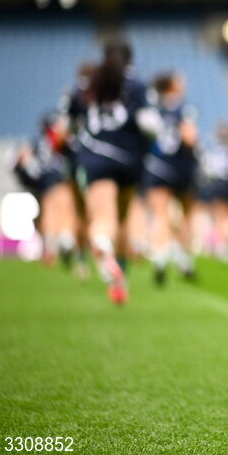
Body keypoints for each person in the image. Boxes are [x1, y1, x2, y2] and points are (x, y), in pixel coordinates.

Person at [66, 39, 160, 305]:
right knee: (120, 216)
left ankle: (102, 246)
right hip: (129, 159)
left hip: (96, 156)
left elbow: (70, 128)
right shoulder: (138, 86)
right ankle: (120, 280)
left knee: (103, 216)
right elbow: (149, 125)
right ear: (131, 59)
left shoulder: (87, 86)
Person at [141, 71, 199, 285]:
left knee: (160, 214)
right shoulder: (183, 108)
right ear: (172, 86)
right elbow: (190, 137)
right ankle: (184, 259)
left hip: (156, 167)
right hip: (181, 167)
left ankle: (159, 255)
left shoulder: (151, 109)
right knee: (185, 214)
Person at [11, 111, 79, 269]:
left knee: (49, 212)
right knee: (65, 209)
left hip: (43, 184)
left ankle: (52, 244)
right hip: (57, 179)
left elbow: (28, 165)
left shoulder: (37, 143)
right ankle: (64, 239)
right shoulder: (58, 140)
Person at [196, 122, 228, 262]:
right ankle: (221, 244)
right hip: (223, 183)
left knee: (225, 216)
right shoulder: (221, 148)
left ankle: (222, 243)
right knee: (222, 215)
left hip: (225, 183)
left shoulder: (226, 148)